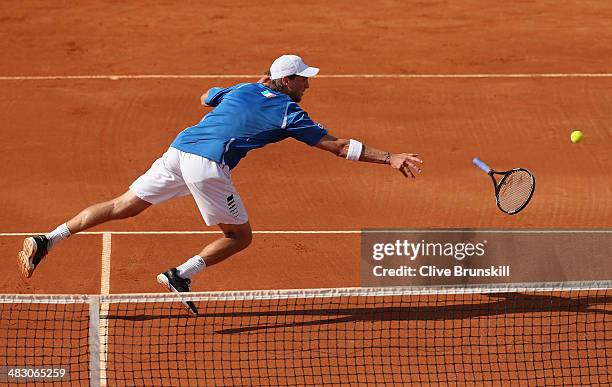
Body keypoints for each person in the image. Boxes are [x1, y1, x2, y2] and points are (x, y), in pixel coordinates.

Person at [18, 54, 423, 314]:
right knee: (240, 236)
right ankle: (181, 274)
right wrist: (390, 157)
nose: (308, 85)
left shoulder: (245, 88)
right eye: (302, 79)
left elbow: (206, 97)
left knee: (124, 204)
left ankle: (48, 239)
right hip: (208, 166)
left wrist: (242, 93)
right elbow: (336, 147)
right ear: (287, 82)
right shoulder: (288, 114)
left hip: (178, 150)